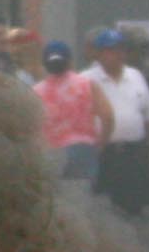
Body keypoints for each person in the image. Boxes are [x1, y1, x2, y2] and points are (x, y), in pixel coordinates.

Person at [89, 30, 149, 221]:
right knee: (103, 210)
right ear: (99, 53)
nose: (118, 54)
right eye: (112, 50)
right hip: (104, 154)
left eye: (122, 50)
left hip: (133, 154)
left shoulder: (136, 76)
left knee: (134, 209)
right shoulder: (87, 80)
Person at [34, 39, 102, 188]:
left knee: (57, 201)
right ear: (69, 61)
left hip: (51, 152)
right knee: (82, 199)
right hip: (83, 149)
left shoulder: (36, 92)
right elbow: (108, 116)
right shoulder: (86, 84)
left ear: (45, 64)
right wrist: (101, 143)